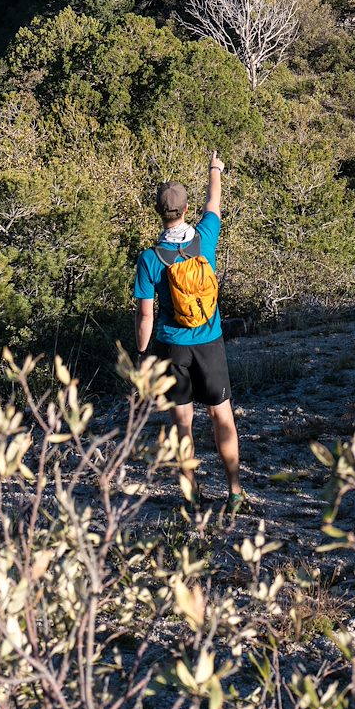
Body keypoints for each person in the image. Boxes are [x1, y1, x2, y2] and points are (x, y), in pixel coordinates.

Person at [133, 150, 244, 516]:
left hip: (172, 347)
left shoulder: (150, 259)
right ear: (184, 209)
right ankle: (235, 491)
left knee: (183, 425)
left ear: (158, 212)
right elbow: (215, 202)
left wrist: (142, 354)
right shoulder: (206, 239)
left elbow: (145, 316)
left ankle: (192, 496)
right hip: (209, 343)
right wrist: (215, 168)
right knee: (222, 418)